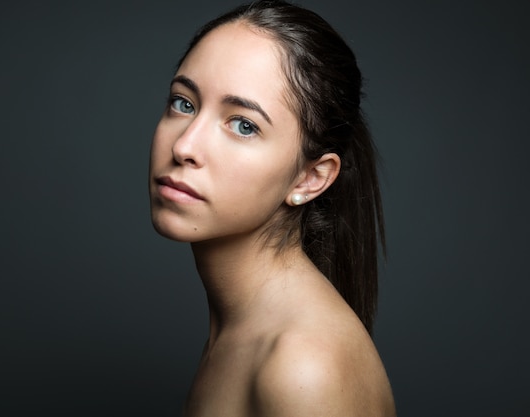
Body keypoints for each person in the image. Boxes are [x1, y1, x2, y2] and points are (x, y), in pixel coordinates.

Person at [148, 0, 396, 415]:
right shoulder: (244, 330)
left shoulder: (303, 367)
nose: (183, 146)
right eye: (184, 103)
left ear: (309, 178)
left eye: (244, 125)